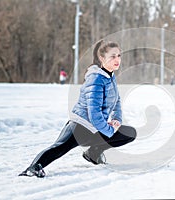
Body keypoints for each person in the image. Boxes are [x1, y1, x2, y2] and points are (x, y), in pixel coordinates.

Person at [19, 40, 137, 178]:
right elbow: (94, 114)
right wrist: (110, 130)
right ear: (102, 58)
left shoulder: (110, 76)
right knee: (59, 148)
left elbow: (116, 100)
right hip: (81, 126)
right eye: (112, 56)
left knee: (129, 133)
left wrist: (116, 119)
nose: (117, 59)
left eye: (119, 55)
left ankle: (93, 153)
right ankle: (33, 168)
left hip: (96, 128)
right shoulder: (96, 79)